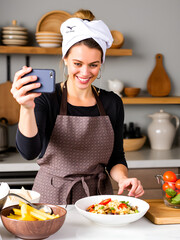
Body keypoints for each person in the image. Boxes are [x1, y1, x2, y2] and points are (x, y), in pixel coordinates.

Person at [11, 9, 144, 204]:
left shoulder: (112, 102)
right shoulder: (46, 99)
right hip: (51, 200)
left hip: (97, 200)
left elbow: (116, 157)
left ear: (101, 64)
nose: (85, 72)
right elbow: (29, 152)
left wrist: (123, 178)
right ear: (65, 58)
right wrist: (26, 108)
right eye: (77, 63)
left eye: (93, 65)